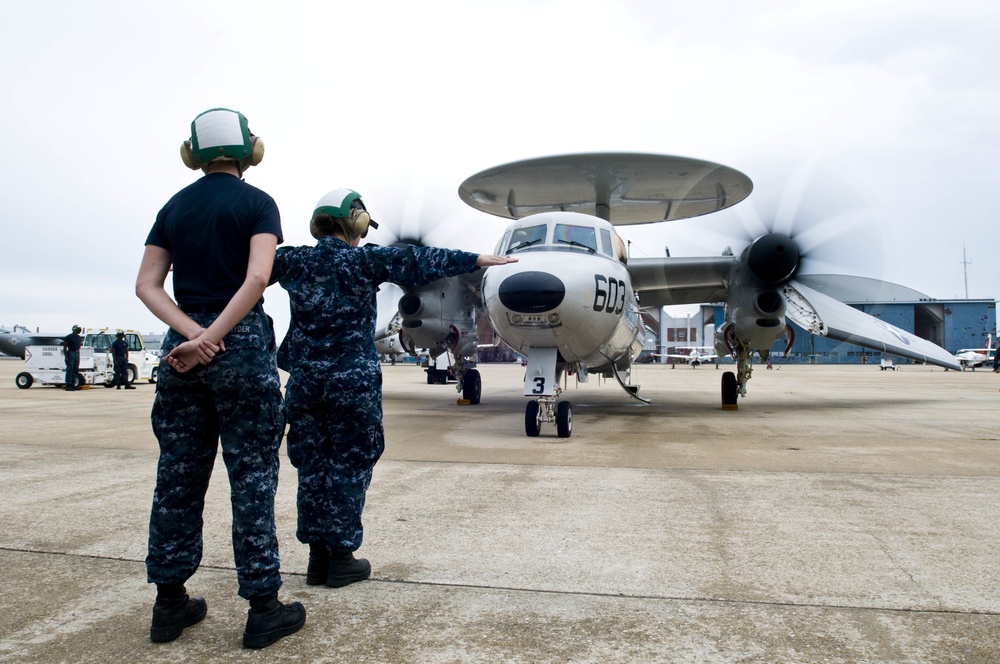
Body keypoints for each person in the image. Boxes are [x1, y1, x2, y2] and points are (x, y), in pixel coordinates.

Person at [269, 188, 517, 589]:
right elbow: (420, 260)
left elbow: (244, 266)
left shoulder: (291, 260)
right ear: (356, 223)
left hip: (306, 383)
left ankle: (317, 557)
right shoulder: (365, 261)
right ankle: (341, 558)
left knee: (313, 463)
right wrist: (475, 259)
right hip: (351, 383)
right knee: (350, 463)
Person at [135, 108, 304, 649]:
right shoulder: (258, 203)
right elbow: (258, 277)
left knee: (178, 475)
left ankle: (169, 603)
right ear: (247, 148)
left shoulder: (174, 207)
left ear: (194, 153)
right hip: (242, 344)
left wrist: (193, 334)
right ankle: (262, 607)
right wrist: (217, 337)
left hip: (182, 351)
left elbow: (147, 285)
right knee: (251, 475)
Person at [61, 325, 83, 391]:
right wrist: (66, 356)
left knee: (75, 369)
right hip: (71, 352)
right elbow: (65, 347)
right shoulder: (68, 337)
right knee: (70, 369)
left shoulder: (79, 337)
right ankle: (68, 385)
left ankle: (73, 384)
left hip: (77, 353)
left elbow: (79, 345)